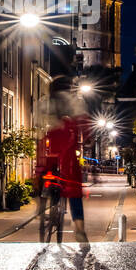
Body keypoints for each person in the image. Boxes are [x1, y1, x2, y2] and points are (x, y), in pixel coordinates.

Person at [34, 81, 90, 245]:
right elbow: (84, 124)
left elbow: (37, 126)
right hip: (67, 147)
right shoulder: (75, 101)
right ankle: (79, 228)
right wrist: (86, 139)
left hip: (48, 146)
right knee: (74, 188)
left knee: (40, 174)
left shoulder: (43, 102)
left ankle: (41, 204)